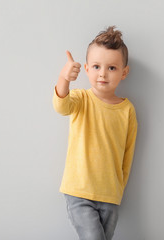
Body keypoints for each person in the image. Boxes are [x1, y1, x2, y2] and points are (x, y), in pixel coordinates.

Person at [53, 26, 138, 240]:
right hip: (79, 191)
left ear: (124, 72)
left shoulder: (127, 110)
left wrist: (118, 188)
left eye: (111, 68)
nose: (102, 73)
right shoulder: (81, 99)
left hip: (110, 195)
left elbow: (128, 154)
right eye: (97, 66)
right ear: (88, 69)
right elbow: (61, 106)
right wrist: (65, 78)